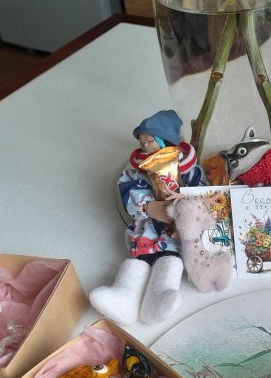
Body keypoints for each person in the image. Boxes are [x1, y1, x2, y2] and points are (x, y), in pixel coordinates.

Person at [89, 110, 207, 324]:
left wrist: (189, 209)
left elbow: (203, 191)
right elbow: (128, 188)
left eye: (150, 141)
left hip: (178, 229)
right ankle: (124, 296)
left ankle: (159, 296)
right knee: (139, 260)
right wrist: (147, 205)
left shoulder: (189, 170)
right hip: (149, 225)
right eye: (142, 142)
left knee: (170, 260)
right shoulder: (138, 171)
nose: (144, 145)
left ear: (165, 141)